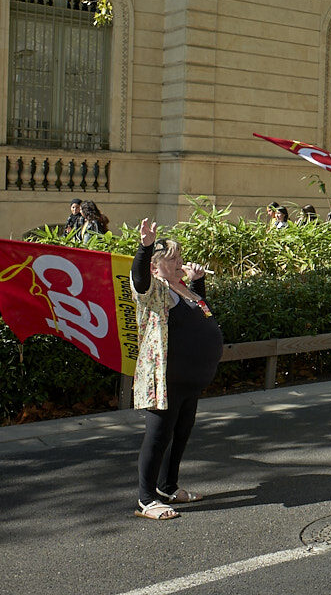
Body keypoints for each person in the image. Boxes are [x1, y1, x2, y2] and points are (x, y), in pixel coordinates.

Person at [131, 219, 223, 520]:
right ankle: (146, 500)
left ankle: (168, 487)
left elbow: (202, 314)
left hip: (189, 380)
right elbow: (139, 279)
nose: (179, 262)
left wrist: (197, 281)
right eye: (172, 259)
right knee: (158, 437)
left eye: (179, 258)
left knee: (181, 433)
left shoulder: (181, 289)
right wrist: (145, 247)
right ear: (156, 266)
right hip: (165, 378)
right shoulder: (154, 289)